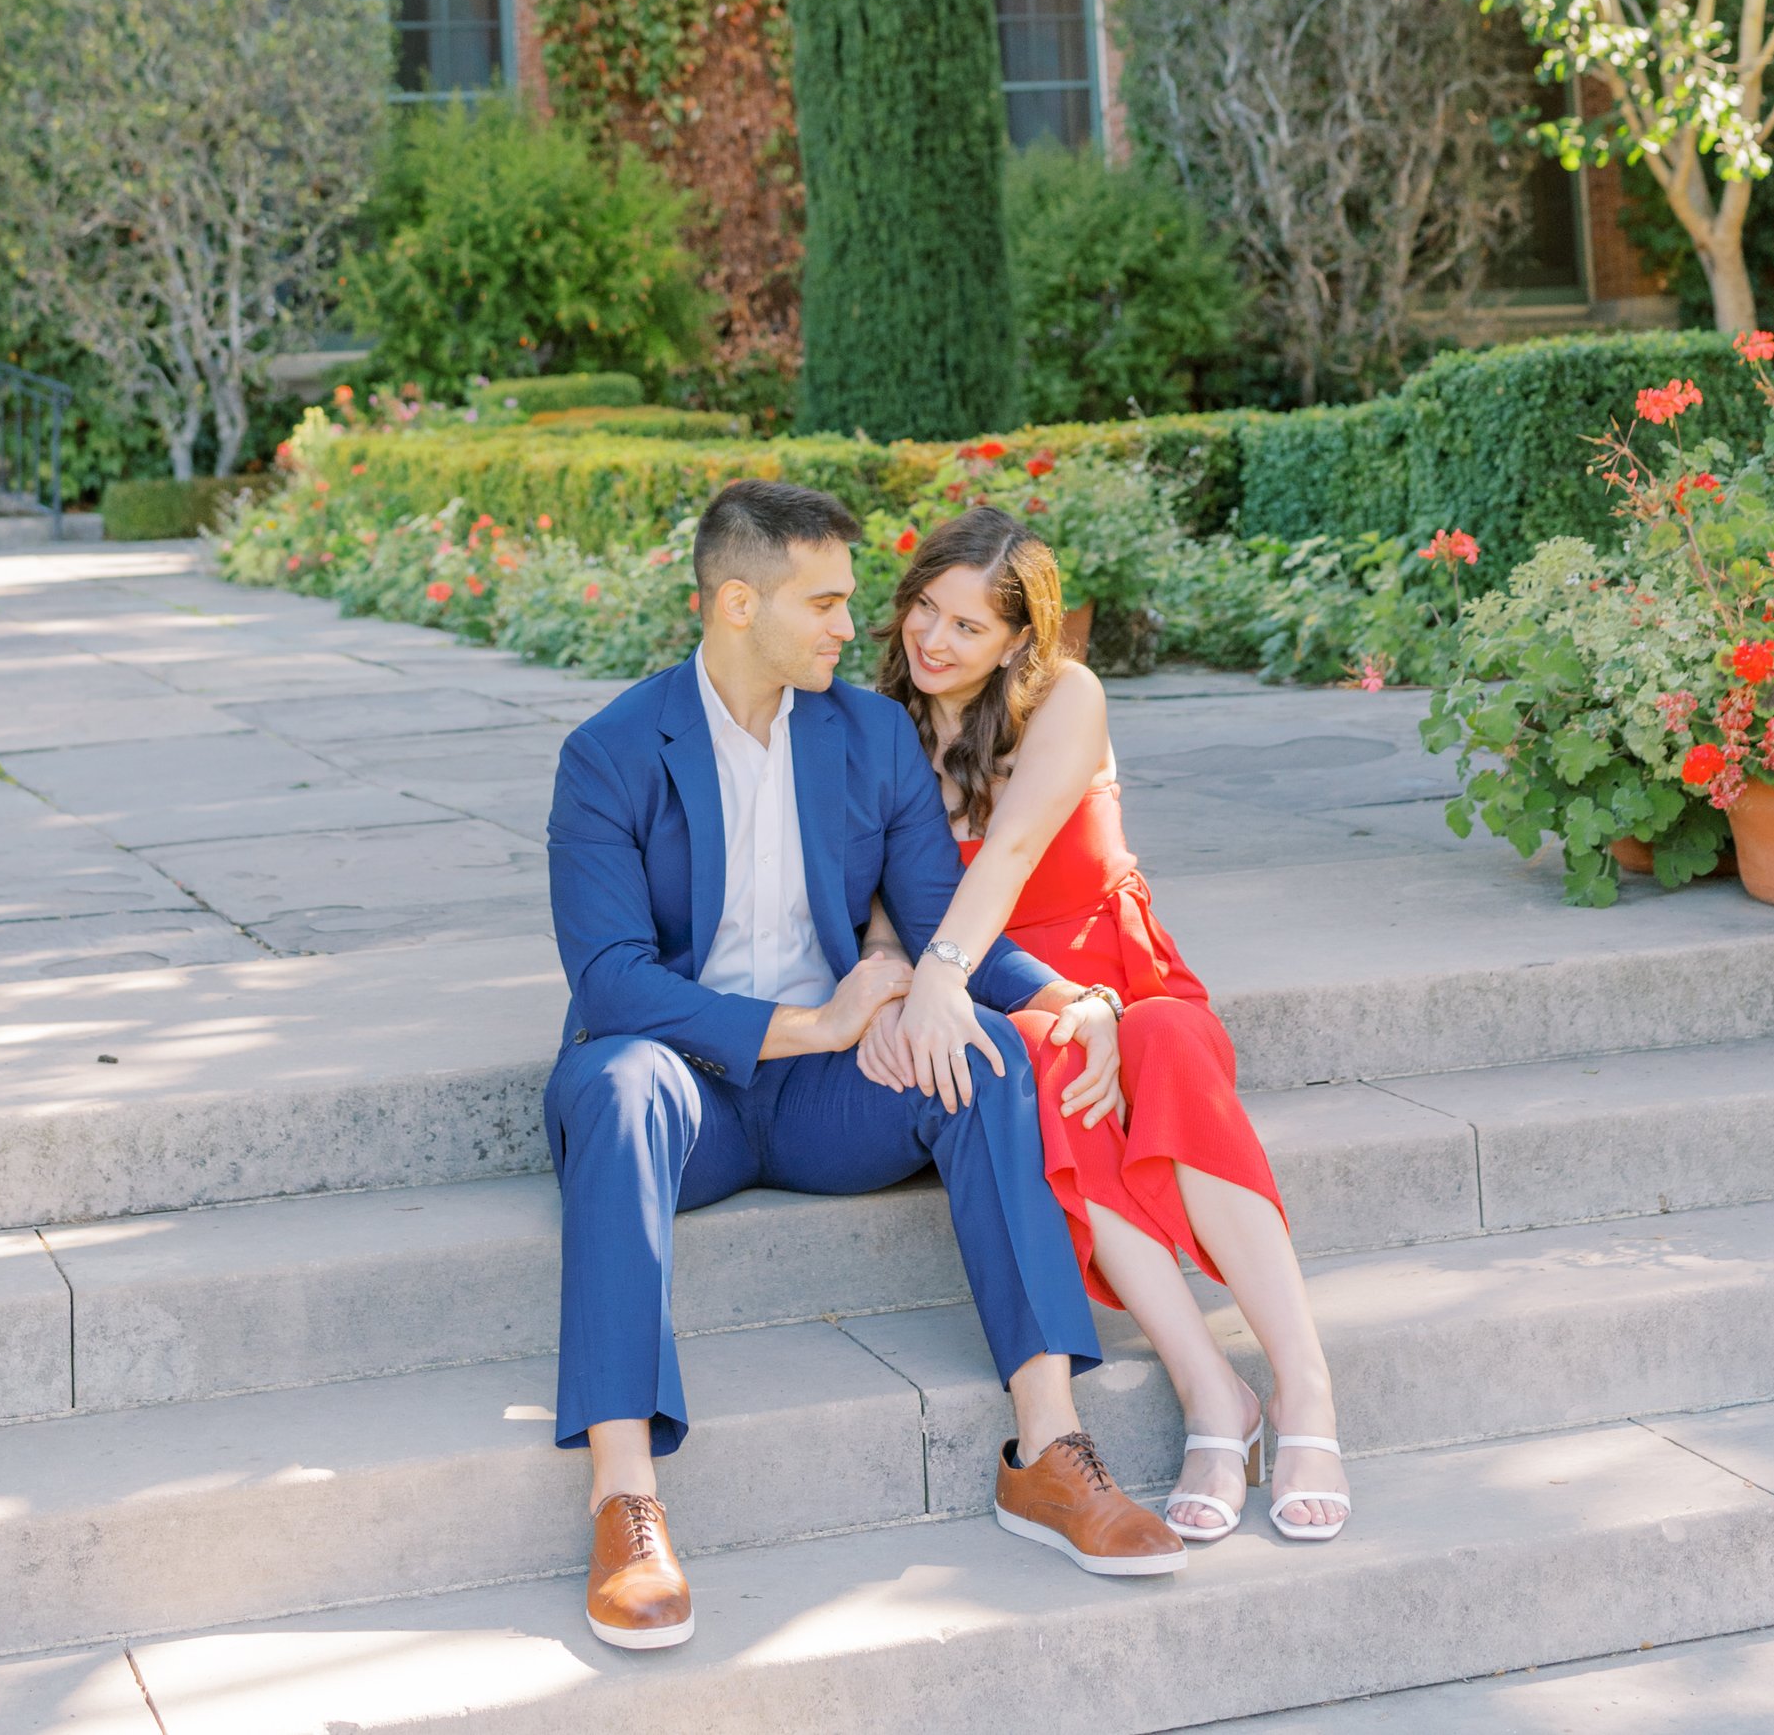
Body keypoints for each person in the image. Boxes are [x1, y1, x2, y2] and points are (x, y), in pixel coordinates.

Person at [543, 478, 1187, 1650]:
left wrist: (1074, 999)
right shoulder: (610, 754)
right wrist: (818, 1024)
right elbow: (612, 982)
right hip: (684, 1094)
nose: (858, 629)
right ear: (739, 603)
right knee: (623, 1077)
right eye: (828, 602)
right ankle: (624, 1499)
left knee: (985, 1054)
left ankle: (1047, 1450)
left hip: (826, 1105)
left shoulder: (868, 734)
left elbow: (943, 922)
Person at [866, 503, 1350, 1548]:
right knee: (1046, 1068)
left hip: (1116, 969)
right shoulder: (876, 727)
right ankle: (1212, 1392)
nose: (933, 641)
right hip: (1001, 987)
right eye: (924, 609)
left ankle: (1304, 1391)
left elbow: (1008, 853)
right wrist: (912, 977)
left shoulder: (1067, 696)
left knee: (1167, 1043)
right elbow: (872, 900)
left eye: (966, 627)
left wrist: (955, 979)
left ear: (1017, 643)